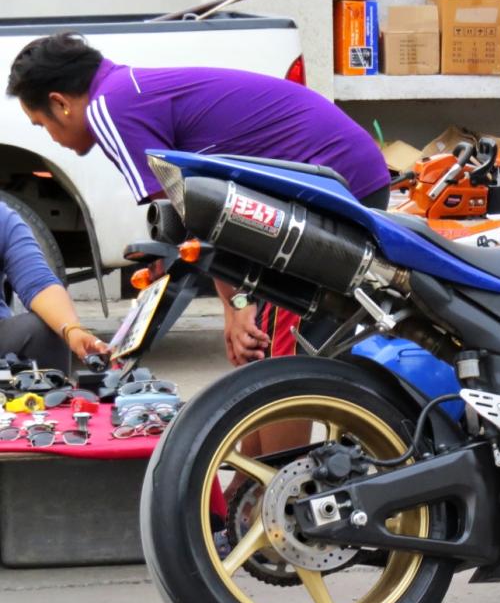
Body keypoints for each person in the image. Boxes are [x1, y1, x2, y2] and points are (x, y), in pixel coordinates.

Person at [6, 33, 390, 455]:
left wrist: (237, 306)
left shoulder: (108, 108)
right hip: (317, 183)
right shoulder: (123, 91)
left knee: (284, 356)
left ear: (60, 103)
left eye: (41, 124)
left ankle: (281, 487)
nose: (50, 136)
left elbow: (199, 220)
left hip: (333, 183)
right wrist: (235, 304)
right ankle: (251, 484)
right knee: (258, 354)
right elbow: (202, 217)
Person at [0, 201, 108, 372]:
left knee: (48, 328)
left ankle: (52, 389)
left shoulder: (3, 218)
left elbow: (38, 282)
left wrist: (71, 329)